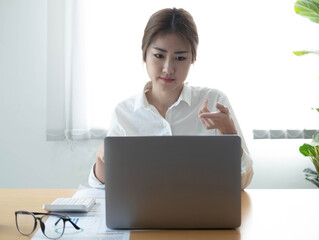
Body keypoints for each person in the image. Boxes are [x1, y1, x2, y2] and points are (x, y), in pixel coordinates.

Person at [88, 7, 253, 189]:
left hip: (201, 214)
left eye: (180, 58)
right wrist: (100, 158)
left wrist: (228, 134)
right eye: (159, 56)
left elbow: (243, 181)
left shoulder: (214, 101)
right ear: (144, 54)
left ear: (192, 59)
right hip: (143, 214)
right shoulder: (124, 112)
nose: (168, 68)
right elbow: (102, 189)